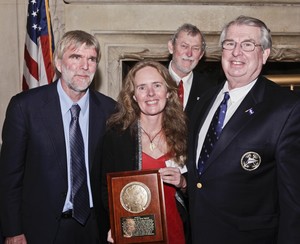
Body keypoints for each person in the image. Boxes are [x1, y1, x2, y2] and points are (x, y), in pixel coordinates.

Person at [187, 15, 300, 244]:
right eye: (230, 44)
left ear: (265, 54)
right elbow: (204, 173)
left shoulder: (286, 109)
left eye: (248, 44)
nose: (236, 52)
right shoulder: (204, 100)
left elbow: (294, 200)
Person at [0, 30, 116, 244]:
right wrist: (13, 230)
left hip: (95, 228)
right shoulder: (25, 107)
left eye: (91, 59)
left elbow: (114, 172)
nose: (85, 66)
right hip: (40, 229)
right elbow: (9, 176)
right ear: (59, 64)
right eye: (76, 57)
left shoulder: (110, 110)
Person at [101, 60, 189, 243]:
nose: (150, 94)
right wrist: (114, 223)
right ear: (133, 96)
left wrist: (183, 183)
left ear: (168, 92)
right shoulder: (117, 137)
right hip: (134, 233)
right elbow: (103, 189)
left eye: (157, 85)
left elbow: (203, 187)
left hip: (178, 231)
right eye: (142, 87)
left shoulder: (187, 134)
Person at [168, 23, 218, 119]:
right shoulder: (153, 79)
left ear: (201, 55)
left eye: (195, 48)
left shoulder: (210, 89)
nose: (189, 53)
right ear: (171, 47)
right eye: (184, 46)